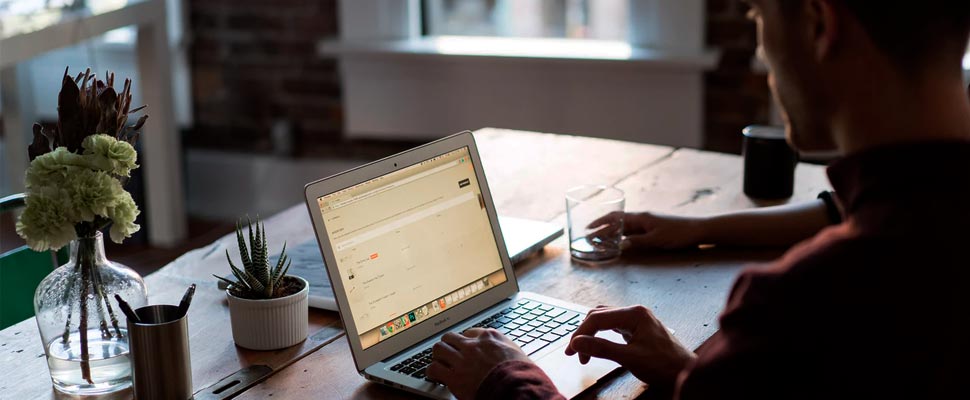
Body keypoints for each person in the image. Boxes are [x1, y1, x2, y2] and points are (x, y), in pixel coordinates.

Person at [426, 0, 970, 398]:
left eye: (758, 16)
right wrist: (697, 376)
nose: (761, 53)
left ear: (819, 24)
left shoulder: (807, 303)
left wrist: (504, 379)